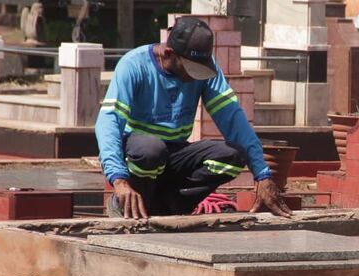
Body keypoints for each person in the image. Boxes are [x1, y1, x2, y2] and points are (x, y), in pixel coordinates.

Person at [95, 16, 292, 219]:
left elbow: (232, 117)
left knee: (233, 156)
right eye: (191, 70)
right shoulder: (133, 65)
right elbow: (108, 122)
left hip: (174, 152)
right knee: (151, 150)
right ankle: (129, 205)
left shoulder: (204, 67)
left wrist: (263, 174)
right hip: (140, 154)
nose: (194, 77)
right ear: (169, 53)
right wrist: (118, 180)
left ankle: (168, 207)